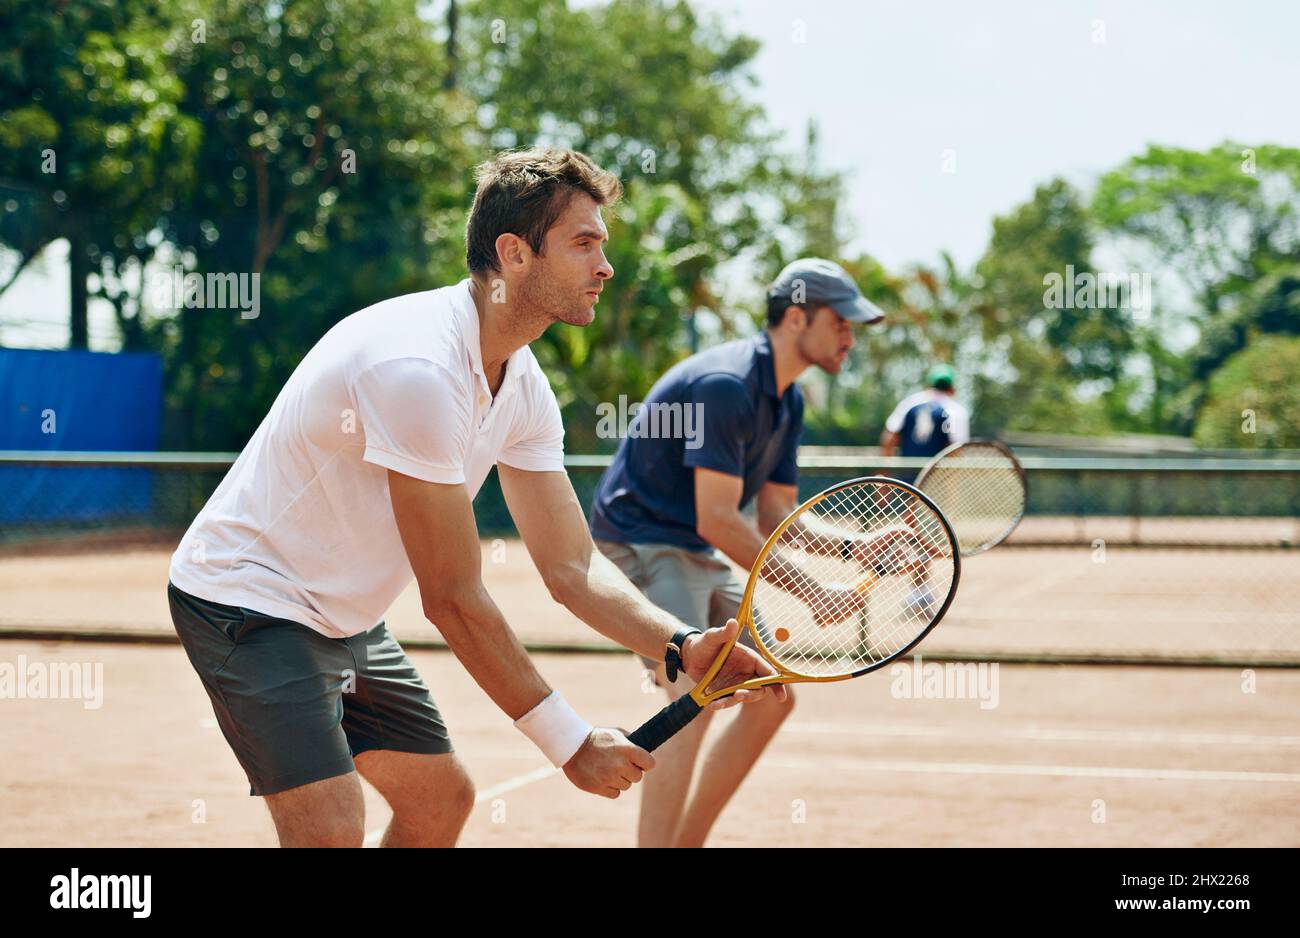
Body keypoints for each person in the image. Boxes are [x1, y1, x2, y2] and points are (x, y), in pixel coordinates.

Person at [166, 147, 782, 848]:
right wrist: (571, 744)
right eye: (584, 244)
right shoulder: (419, 371)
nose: (605, 267)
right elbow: (453, 598)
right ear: (514, 253)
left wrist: (680, 645)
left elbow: (571, 568)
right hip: (247, 602)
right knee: (332, 827)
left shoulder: (520, 383)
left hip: (341, 618)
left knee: (440, 804)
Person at [589, 257, 887, 848]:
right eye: (842, 322)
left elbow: (777, 518)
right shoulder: (725, 387)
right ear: (797, 317)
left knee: (771, 697)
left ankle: (686, 842)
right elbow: (719, 518)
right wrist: (811, 591)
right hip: (636, 543)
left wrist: (861, 546)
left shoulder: (786, 401)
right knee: (695, 695)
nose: (851, 337)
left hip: (691, 547)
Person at [879, 364, 970, 460]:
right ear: (952, 389)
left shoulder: (909, 403)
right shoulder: (955, 410)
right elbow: (956, 449)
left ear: (929, 384)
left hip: (905, 472)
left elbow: (889, 439)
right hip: (935, 474)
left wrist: (884, 470)